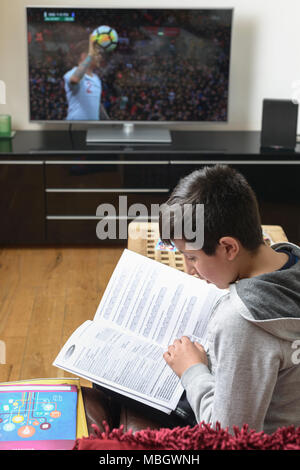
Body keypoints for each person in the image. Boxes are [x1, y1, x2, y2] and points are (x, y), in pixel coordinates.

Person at [159, 164, 300, 434]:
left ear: (228, 247)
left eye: (192, 258)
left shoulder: (240, 323)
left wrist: (192, 370)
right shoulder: (292, 259)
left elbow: (228, 435)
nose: (189, 269)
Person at [64, 34, 108, 120]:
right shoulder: (72, 73)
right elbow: (74, 80)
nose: (100, 57)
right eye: (97, 54)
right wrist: (91, 55)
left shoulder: (96, 79)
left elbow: (95, 103)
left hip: (93, 128)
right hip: (75, 128)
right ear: (84, 56)